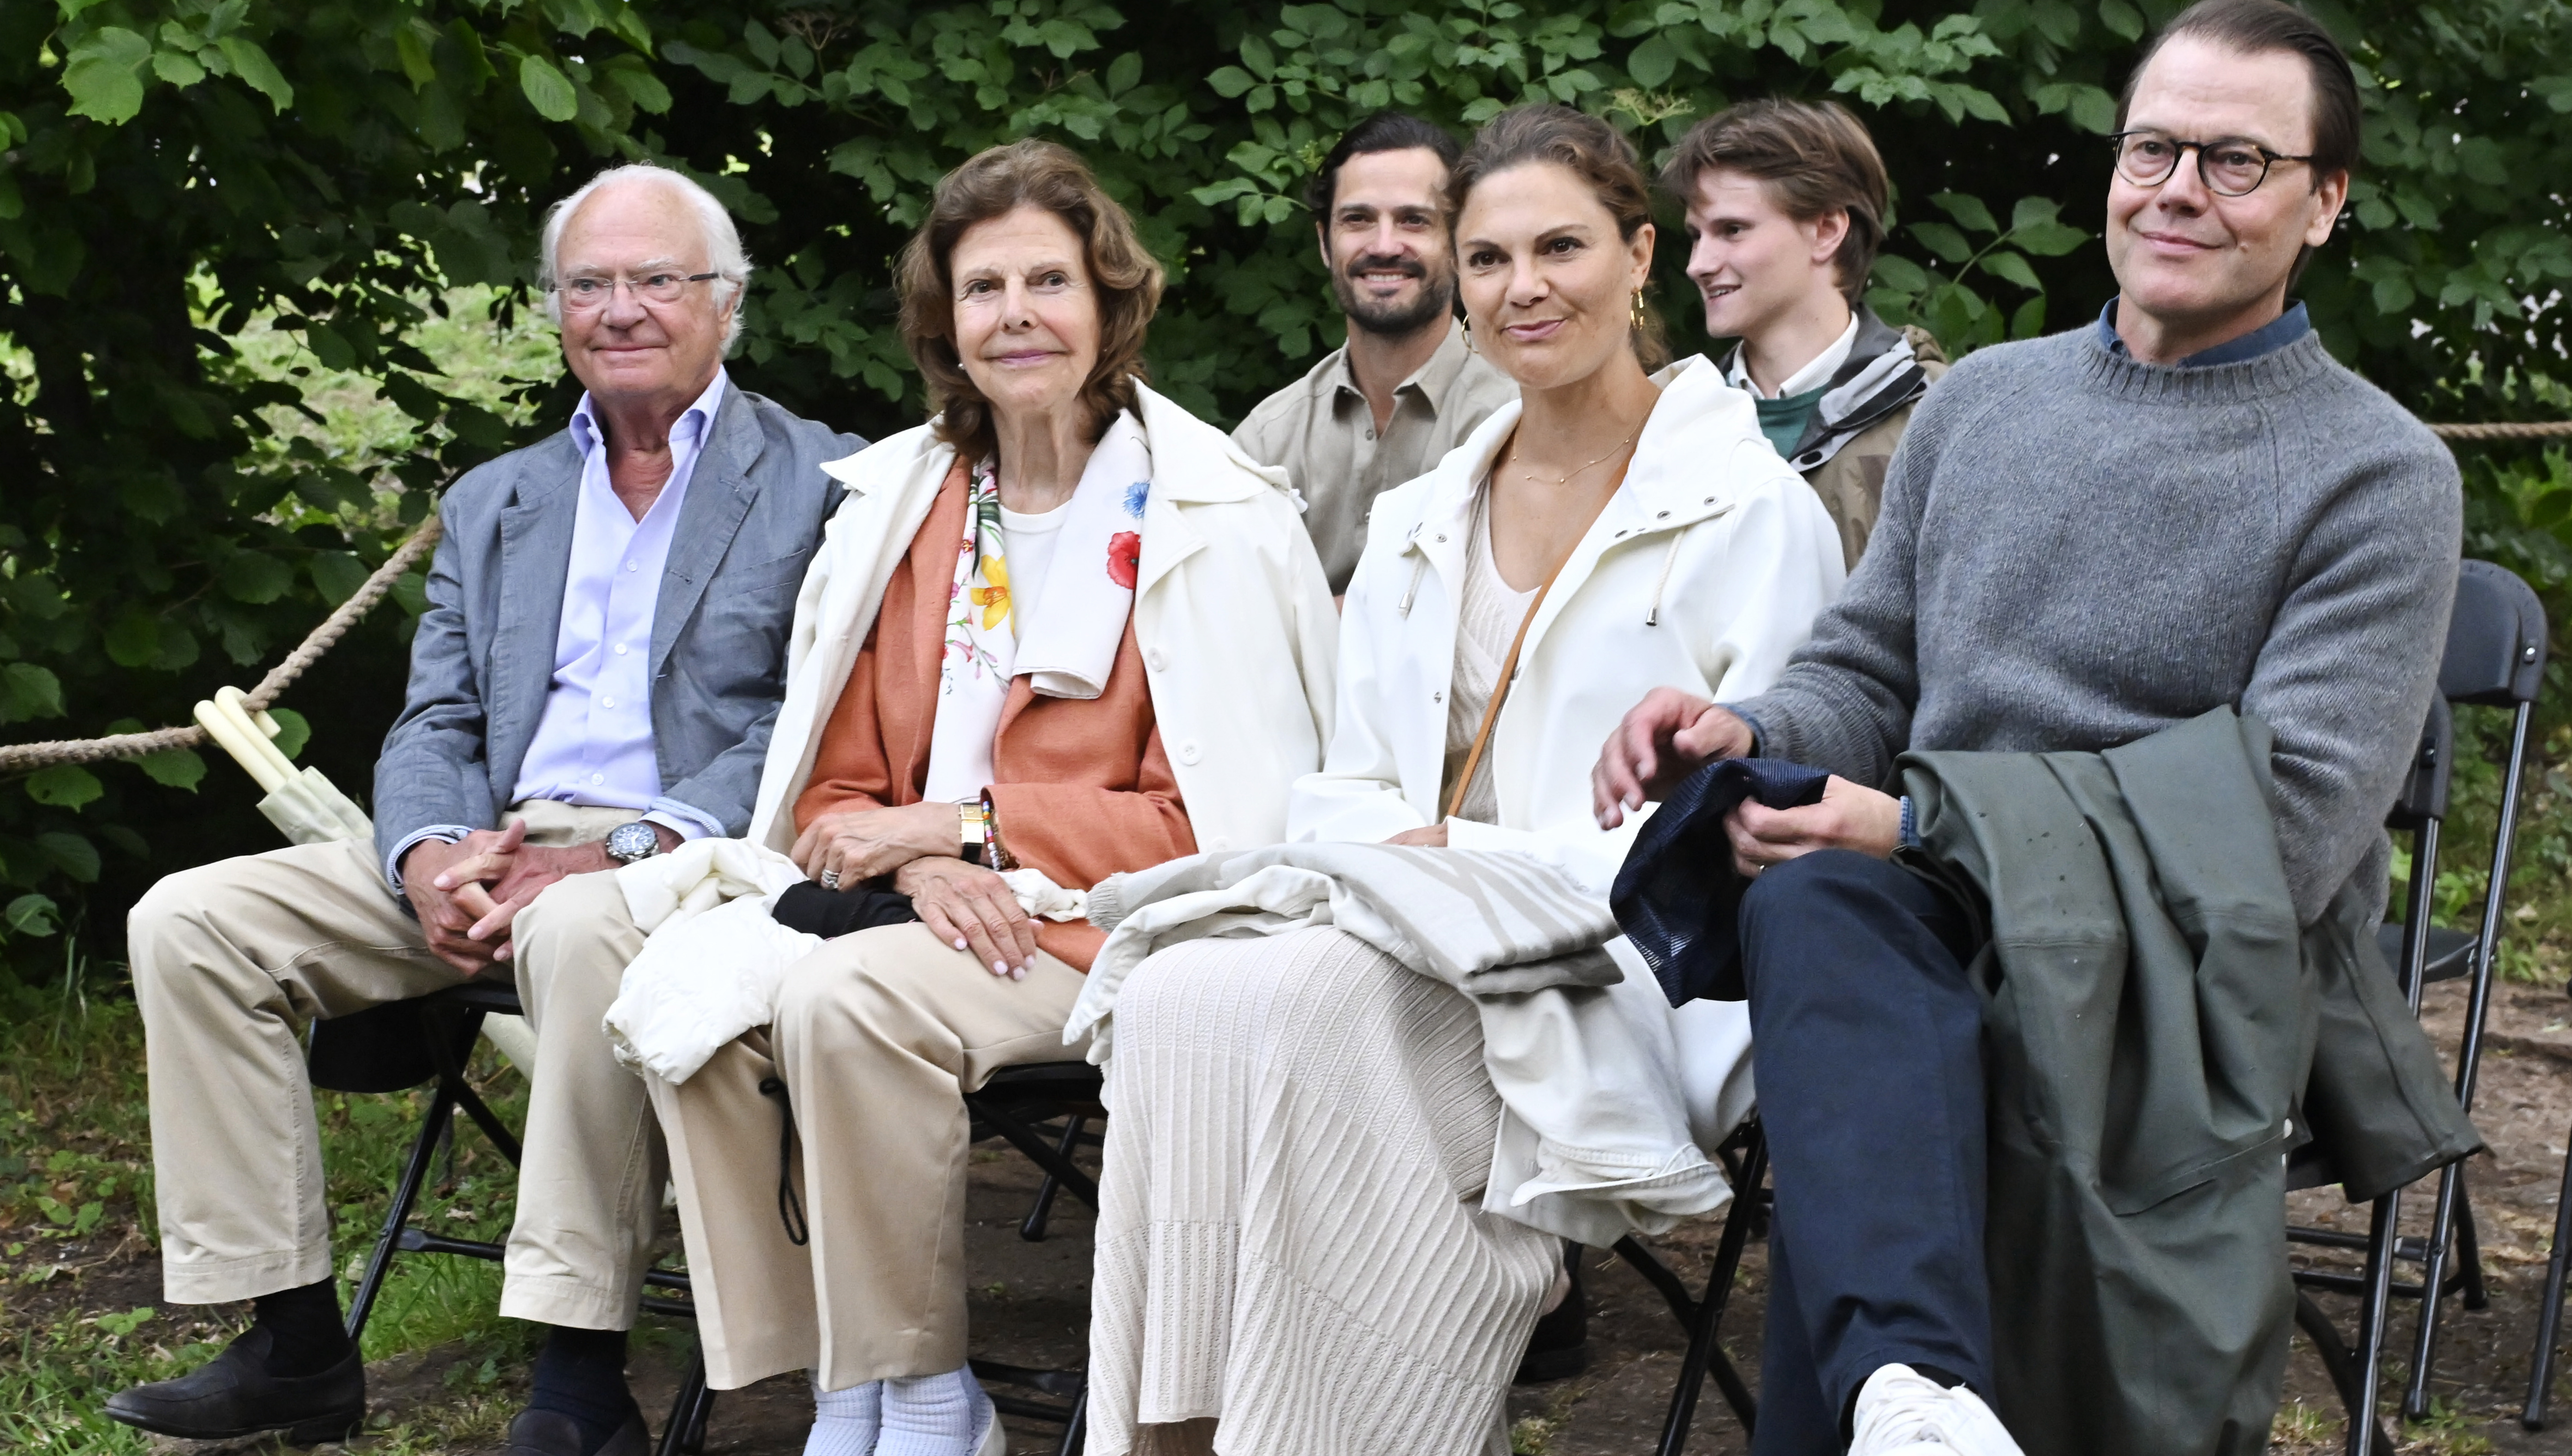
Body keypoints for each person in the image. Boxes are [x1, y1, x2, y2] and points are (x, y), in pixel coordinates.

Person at [1594, 2, 2474, 1451]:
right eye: (2151, 148)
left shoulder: (2378, 473)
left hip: (2177, 965)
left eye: (2236, 160)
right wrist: (1744, 726)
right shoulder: (1981, 404)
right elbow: (1866, 675)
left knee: (1844, 971)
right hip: (1916, 917)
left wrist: (1923, 827)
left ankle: (1891, 1384)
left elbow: (2289, 834)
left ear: (2322, 203)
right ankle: (1912, 1396)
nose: (2177, 188)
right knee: (1817, 904)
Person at [1084, 104, 1844, 1456]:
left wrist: (1477, 862)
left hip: (1630, 958)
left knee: (1314, 1002)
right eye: (1486, 257)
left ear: (1637, 255)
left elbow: (1750, 818)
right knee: (1178, 995)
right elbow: (1344, 781)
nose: (1519, 287)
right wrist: (1411, 848)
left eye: (1559, 247)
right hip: (1411, 921)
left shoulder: (1742, 505)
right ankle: (1178, 1433)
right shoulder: (1420, 515)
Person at [566, 138, 1335, 1456]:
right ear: (947, 323)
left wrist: (966, 828)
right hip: (932, 910)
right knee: (687, 989)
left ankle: (926, 1391)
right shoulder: (905, 506)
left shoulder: (1216, 516)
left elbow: (1217, 827)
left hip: (1114, 923)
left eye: (1049, 280)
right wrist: (924, 863)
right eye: (984, 289)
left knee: (839, 999)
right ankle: (839, 1378)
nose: (1017, 314)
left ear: (1109, 306)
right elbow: (835, 790)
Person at [109, 165, 859, 1455]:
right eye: (589, 283)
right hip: (497, 842)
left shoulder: (830, 480)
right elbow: (437, 719)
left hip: (688, 854)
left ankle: (578, 1383)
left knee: (577, 935)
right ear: (556, 309)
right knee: (190, 918)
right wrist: (425, 853)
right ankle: (292, 1341)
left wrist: (622, 850)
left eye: (656, 280)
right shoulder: (497, 498)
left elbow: (808, 722)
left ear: (726, 305)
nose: (621, 309)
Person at [1231, 110, 1518, 596]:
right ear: (1325, 242)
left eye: (1414, 220)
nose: (1385, 246)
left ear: (1459, 242)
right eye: (1358, 219)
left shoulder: (1516, 419)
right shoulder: (1266, 443)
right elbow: (1225, 618)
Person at [1662, 98, 1945, 567]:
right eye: (1696, 235)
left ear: (1827, 230)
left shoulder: (1941, 421)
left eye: (1732, 230)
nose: (1699, 264)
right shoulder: (1669, 421)